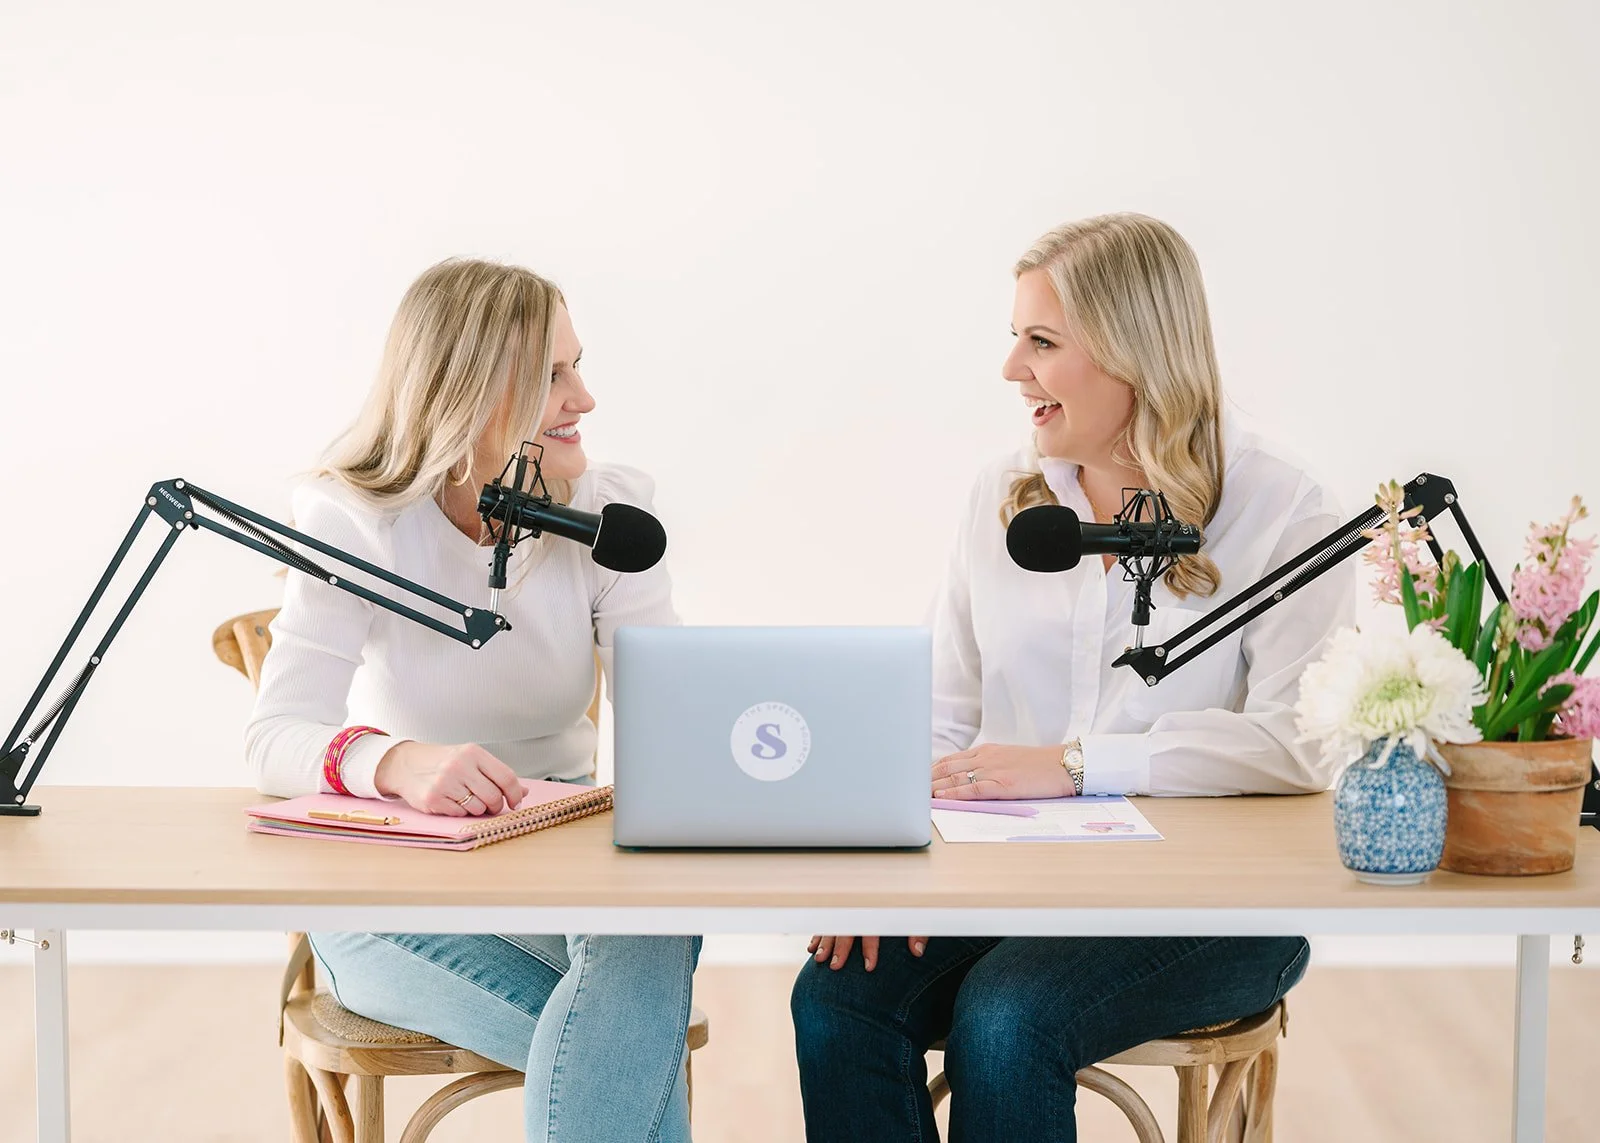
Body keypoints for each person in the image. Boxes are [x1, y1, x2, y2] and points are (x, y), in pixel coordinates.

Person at [791, 213, 1354, 1141]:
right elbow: (944, 717)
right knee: (837, 997)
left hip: (1212, 904)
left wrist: (1079, 761)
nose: (1013, 369)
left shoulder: (1284, 507)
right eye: (1015, 339)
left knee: (1010, 1017)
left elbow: (1299, 744)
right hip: (1011, 881)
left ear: (1136, 354)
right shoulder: (1003, 495)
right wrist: (882, 867)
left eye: (1042, 342)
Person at [246, 258, 699, 1143]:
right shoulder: (357, 522)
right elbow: (274, 737)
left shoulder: (608, 516)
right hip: (394, 896)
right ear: (471, 392)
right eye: (555, 375)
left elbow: (673, 728)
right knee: (630, 1033)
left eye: (579, 365)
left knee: (642, 941)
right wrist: (398, 762)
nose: (587, 399)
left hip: (563, 877)